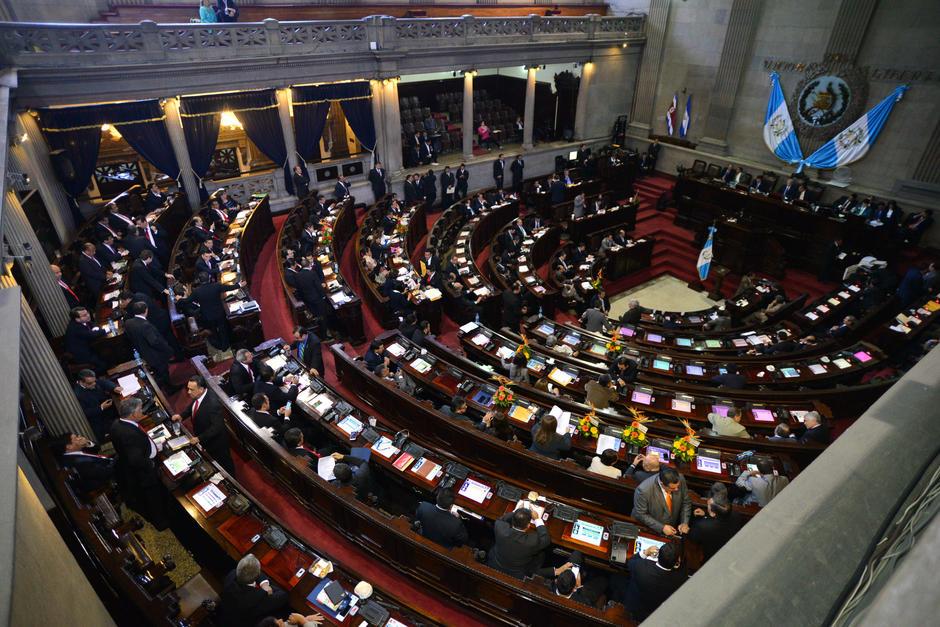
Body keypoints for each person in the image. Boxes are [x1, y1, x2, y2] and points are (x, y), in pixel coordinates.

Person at [110, 398, 169, 529]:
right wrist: (151, 464)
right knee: (153, 499)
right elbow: (135, 460)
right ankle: (160, 523)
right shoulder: (129, 434)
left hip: (130, 467)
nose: (142, 411)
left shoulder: (117, 423)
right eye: (140, 409)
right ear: (133, 414)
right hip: (144, 475)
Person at [172, 375, 235, 475]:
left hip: (216, 442)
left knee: (225, 464)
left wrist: (199, 438)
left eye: (191, 389)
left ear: (201, 389)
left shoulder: (213, 404)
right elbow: (193, 406)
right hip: (204, 435)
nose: (188, 392)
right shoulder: (198, 395)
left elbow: (217, 427)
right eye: (188, 388)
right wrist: (181, 415)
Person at [219, 554, 289, 627]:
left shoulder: (231, 575)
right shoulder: (259, 599)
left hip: (227, 614)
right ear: (258, 574)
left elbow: (247, 570)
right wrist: (266, 587)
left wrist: (263, 583)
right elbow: (283, 595)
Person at [622, 542, 685, 621]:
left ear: (658, 555)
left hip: (632, 610)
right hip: (655, 617)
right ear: (677, 562)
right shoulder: (680, 580)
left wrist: (646, 552)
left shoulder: (641, 566)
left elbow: (630, 562)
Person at [180, 272, 241, 351]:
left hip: (208, 315)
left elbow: (187, 301)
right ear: (209, 278)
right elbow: (228, 288)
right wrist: (239, 285)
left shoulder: (197, 291)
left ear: (199, 280)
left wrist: (179, 299)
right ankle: (225, 346)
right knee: (223, 328)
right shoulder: (216, 285)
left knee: (213, 330)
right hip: (219, 313)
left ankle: (218, 345)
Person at [487, 507, 550, 579]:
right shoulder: (532, 542)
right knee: (541, 555)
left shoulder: (499, 527)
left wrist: (516, 513)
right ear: (528, 525)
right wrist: (537, 519)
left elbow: (502, 519)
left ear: (512, 521)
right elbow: (546, 540)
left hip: (497, 561)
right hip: (517, 571)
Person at [632, 468, 691, 537]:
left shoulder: (680, 478)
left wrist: (684, 522)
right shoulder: (643, 490)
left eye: (677, 486)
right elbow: (641, 514)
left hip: (672, 527)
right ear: (662, 484)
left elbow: (686, 501)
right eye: (672, 488)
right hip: (650, 529)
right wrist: (661, 527)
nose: (676, 489)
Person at [688, 485, 740, 561]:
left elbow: (692, 538)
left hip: (711, 558)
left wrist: (688, 530)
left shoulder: (702, 526)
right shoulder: (736, 515)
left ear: (713, 513)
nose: (707, 504)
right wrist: (705, 515)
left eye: (708, 506)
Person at [73, 369, 120, 442]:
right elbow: (85, 412)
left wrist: (114, 387)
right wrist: (101, 407)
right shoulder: (77, 394)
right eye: (90, 383)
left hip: (110, 410)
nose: (94, 384)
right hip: (100, 421)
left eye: (94, 381)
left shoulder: (92, 381)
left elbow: (103, 382)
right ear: (81, 382)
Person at [64, 306, 108, 372]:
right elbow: (92, 335)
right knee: (104, 364)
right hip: (83, 355)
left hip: (90, 348)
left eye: (87, 313)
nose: (88, 316)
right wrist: (106, 329)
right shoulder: (76, 328)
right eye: (84, 315)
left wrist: (95, 328)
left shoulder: (83, 321)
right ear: (77, 319)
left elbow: (93, 325)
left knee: (106, 354)